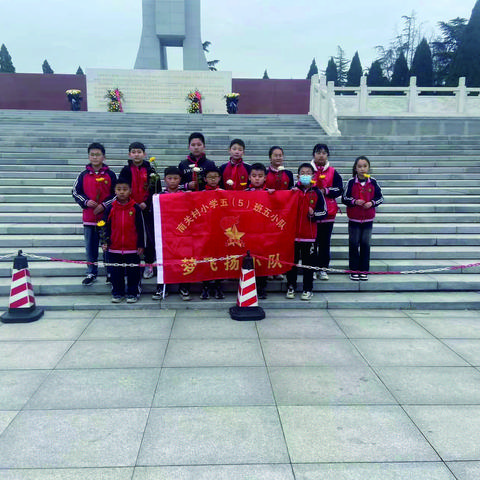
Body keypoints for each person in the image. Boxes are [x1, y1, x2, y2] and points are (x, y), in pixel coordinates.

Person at [72, 142, 116, 286]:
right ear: (89, 156)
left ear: (103, 157)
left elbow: (117, 194)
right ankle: (91, 272)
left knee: (108, 246)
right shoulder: (83, 174)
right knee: (90, 248)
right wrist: (86, 202)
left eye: (98, 154)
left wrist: (104, 205)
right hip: (90, 218)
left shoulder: (110, 174)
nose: (95, 157)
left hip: (106, 218)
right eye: (92, 154)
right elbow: (75, 192)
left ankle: (110, 272)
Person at [286, 163, 327, 301]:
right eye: (302, 173)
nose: (305, 175)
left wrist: (313, 214)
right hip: (293, 236)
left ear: (313, 176)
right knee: (292, 263)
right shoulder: (292, 192)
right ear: (298, 176)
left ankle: (307, 289)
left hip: (309, 236)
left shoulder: (316, 193)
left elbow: (324, 212)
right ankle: (291, 287)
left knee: (308, 265)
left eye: (308, 173)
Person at [101, 178, 146, 303]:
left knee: (133, 272)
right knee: (116, 273)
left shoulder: (135, 208)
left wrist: (141, 244)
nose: (122, 192)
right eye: (119, 189)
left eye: (125, 189)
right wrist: (104, 242)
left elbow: (141, 228)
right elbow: (104, 227)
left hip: (132, 248)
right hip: (114, 248)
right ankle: (117, 292)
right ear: (114, 191)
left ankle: (133, 292)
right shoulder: (110, 208)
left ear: (130, 191)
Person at [150, 167, 191, 301]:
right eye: (169, 178)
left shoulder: (186, 195)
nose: (172, 181)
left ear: (180, 180)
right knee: (163, 259)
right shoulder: (159, 196)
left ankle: (184, 287)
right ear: (164, 179)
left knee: (183, 259)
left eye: (176, 178)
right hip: (165, 233)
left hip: (183, 233)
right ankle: (162, 287)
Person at [342, 156, 383, 281]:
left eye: (365, 166)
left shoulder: (373, 182)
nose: (362, 169)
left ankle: (364, 270)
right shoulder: (350, 182)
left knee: (366, 244)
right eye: (359, 166)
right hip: (354, 219)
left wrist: (372, 203)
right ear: (355, 168)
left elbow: (380, 198)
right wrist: (355, 201)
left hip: (368, 219)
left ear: (369, 167)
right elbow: (344, 198)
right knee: (354, 244)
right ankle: (354, 270)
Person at [118, 142, 156, 280]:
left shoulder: (151, 170)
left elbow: (155, 189)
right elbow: (121, 188)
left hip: (147, 209)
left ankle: (149, 263)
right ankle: (132, 265)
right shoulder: (125, 170)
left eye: (139, 152)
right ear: (129, 154)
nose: (136, 154)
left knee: (149, 236)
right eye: (133, 152)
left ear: (144, 154)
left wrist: (146, 203)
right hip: (130, 208)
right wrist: (132, 203)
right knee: (133, 236)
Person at [311, 143, 343, 281]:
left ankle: (323, 268)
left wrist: (327, 191)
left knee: (325, 242)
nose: (321, 155)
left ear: (327, 155)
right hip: (312, 213)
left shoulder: (333, 172)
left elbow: (339, 189)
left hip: (328, 213)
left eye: (324, 153)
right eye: (318, 152)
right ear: (314, 154)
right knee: (312, 243)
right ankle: (311, 268)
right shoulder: (307, 170)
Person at [245, 163, 274, 299]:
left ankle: (262, 287)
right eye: (254, 176)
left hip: (264, 233)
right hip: (249, 232)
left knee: (262, 260)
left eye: (260, 176)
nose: (257, 179)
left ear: (265, 178)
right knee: (249, 259)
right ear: (249, 177)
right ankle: (247, 284)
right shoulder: (243, 194)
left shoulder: (270, 193)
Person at [199, 166, 225, 300]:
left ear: (220, 178)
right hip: (206, 231)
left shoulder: (225, 193)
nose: (213, 179)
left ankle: (218, 286)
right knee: (206, 259)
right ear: (205, 179)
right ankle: (206, 286)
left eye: (216, 176)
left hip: (221, 232)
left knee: (220, 259)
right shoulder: (200, 193)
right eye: (210, 177)